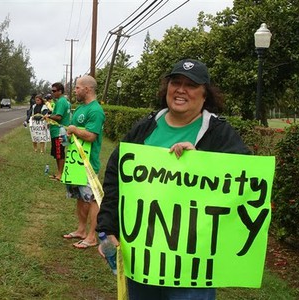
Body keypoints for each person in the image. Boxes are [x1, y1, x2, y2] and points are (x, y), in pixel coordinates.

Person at [96, 59, 251, 299]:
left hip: (192, 263)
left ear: (205, 94)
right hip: (143, 255)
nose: (180, 89)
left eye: (191, 85)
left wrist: (202, 163)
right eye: (175, 82)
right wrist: (107, 227)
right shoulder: (145, 127)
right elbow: (115, 177)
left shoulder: (218, 132)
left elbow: (246, 181)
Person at [62, 75, 106, 249]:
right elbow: (76, 131)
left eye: (78, 87)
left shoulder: (95, 111)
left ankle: (91, 237)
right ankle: (81, 230)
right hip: (75, 163)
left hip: (88, 165)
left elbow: (91, 136)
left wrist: (74, 129)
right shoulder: (80, 108)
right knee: (80, 198)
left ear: (87, 89)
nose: (75, 90)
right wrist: (70, 132)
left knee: (92, 199)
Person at [44, 82, 71, 181]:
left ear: (60, 91)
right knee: (57, 153)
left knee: (60, 153)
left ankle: (60, 174)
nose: (53, 93)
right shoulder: (63, 101)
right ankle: (59, 172)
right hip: (58, 131)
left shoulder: (61, 101)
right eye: (52, 91)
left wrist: (48, 116)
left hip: (59, 132)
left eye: (54, 91)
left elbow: (59, 117)